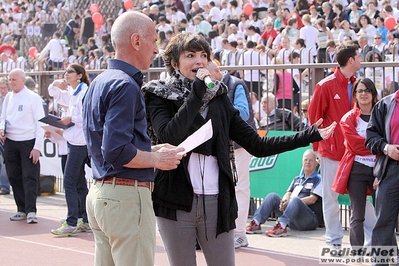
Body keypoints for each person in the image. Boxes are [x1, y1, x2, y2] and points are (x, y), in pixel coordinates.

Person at [142, 31, 336, 266]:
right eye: (190, 55)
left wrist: (308, 135)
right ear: (175, 63)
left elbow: (257, 144)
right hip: (175, 201)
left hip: (217, 202)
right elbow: (168, 136)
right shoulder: (159, 93)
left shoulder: (219, 97)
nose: (199, 61)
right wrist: (197, 95)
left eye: (203, 55)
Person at [82, 11, 184, 266]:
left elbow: (109, 143)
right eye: (154, 41)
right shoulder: (125, 84)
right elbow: (116, 150)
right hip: (125, 197)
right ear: (137, 41)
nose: (157, 49)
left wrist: (152, 149)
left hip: (100, 194)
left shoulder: (99, 82)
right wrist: (156, 159)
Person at [308, 43, 361, 250]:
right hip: (331, 151)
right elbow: (314, 118)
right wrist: (316, 148)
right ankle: (334, 240)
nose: (361, 59)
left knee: (361, 197)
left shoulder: (357, 84)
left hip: (354, 151)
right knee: (331, 197)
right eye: (359, 56)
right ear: (351, 60)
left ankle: (372, 239)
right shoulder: (325, 85)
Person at [207, 61, 257, 248]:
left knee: (241, 188)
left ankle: (239, 233)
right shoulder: (209, 86)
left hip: (240, 144)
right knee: (219, 187)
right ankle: (226, 230)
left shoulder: (236, 84)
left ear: (217, 72)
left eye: (207, 74)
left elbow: (243, 113)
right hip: (220, 144)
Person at [332, 78, 378, 253]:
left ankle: (389, 251)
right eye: (360, 91)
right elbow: (354, 145)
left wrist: (379, 145)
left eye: (367, 90)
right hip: (356, 170)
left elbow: (387, 140)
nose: (364, 94)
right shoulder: (348, 118)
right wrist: (378, 144)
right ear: (355, 96)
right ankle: (357, 251)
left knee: (384, 213)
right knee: (357, 215)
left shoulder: (381, 114)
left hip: (379, 171)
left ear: (373, 94)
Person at [49, 64, 91, 236]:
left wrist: (70, 118)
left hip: (80, 142)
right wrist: (56, 83)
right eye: (65, 71)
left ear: (79, 75)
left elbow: (87, 115)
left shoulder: (84, 91)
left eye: (70, 72)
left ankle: (71, 222)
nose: (66, 74)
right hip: (74, 140)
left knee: (69, 181)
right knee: (80, 182)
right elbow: (53, 92)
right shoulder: (74, 92)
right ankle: (84, 219)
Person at [0, 68, 46, 224]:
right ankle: (21, 209)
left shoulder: (33, 98)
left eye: (14, 79)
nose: (11, 82)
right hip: (10, 142)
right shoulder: (8, 98)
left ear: (22, 79)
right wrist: (2, 128)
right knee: (14, 175)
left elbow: (41, 123)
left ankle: (31, 210)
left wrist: (37, 147)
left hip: (28, 141)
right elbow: (3, 116)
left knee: (29, 176)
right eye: (9, 79)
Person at [245, 149, 323, 236]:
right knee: (272, 196)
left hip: (308, 220)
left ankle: (281, 226)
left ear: (316, 163)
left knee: (295, 200)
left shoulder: (319, 179)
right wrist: (284, 202)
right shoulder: (297, 179)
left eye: (311, 160)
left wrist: (290, 203)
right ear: (302, 162)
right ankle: (256, 223)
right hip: (292, 219)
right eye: (305, 160)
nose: (308, 162)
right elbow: (288, 192)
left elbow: (312, 199)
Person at [365, 79, 399, 266]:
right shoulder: (384, 105)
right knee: (384, 222)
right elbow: (370, 138)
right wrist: (387, 148)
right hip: (390, 169)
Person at [0, 77, 9, 195]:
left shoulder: (10, 99)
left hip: (5, 133)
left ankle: (5, 186)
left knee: (4, 161)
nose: (2, 90)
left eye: (4, 88)